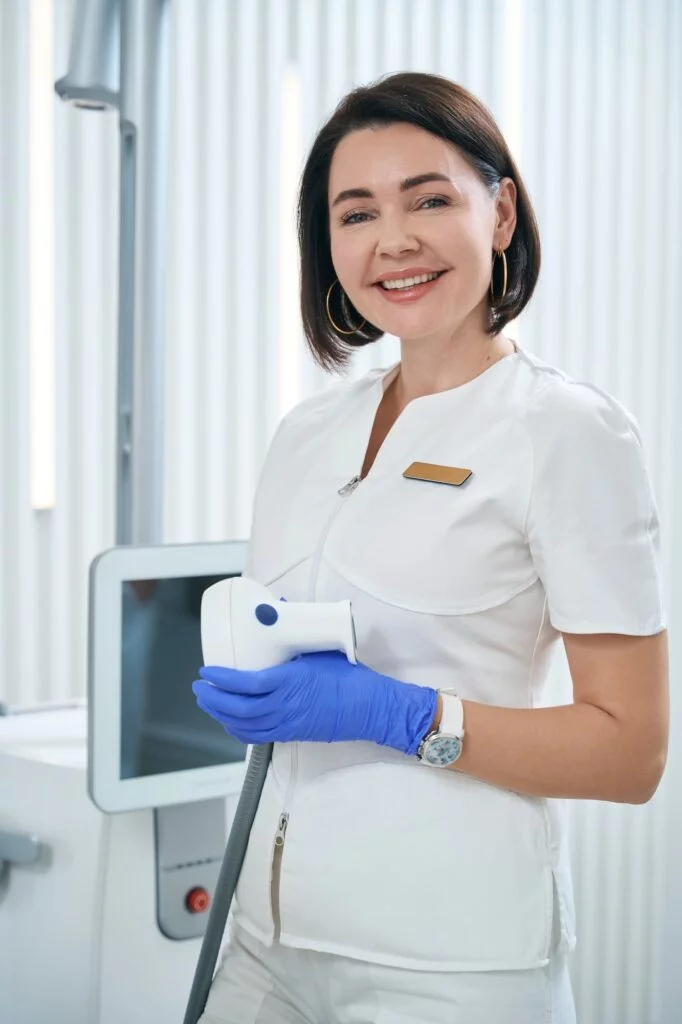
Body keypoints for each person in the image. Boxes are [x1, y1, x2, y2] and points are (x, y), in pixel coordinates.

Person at [191, 72, 669, 1024]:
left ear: (500, 214)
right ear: (328, 247)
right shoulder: (306, 434)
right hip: (263, 945)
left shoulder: (565, 434)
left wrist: (400, 714)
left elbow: (631, 753)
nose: (393, 240)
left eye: (430, 199)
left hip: (449, 968)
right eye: (356, 212)